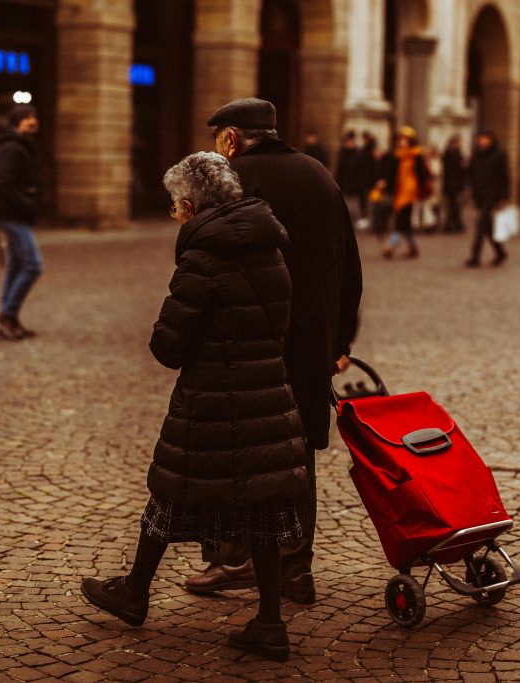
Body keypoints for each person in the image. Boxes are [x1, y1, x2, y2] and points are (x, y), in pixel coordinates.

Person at [80, 152, 306, 662]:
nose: (174, 214)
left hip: (212, 400)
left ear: (190, 204)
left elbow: (168, 346)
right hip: (267, 394)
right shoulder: (270, 247)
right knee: (263, 506)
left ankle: (134, 591)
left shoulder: (203, 258)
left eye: (174, 205)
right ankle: (270, 623)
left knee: (170, 493)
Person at [187, 98, 362, 605]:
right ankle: (294, 566)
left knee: (237, 448)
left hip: (248, 340)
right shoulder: (319, 175)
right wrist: (339, 342)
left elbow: (210, 267)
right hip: (311, 341)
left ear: (231, 139)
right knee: (296, 450)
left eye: (218, 138)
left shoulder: (229, 180)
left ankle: (233, 558)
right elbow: (349, 266)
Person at [0, 104, 42, 340]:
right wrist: (28, 204)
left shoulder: (21, 146)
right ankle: (7, 314)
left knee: (16, 267)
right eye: (27, 117)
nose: (33, 121)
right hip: (13, 216)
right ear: (16, 122)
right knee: (32, 266)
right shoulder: (12, 149)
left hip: (16, 215)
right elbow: (3, 185)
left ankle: (8, 319)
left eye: (34, 116)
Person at [378, 126, 429, 259]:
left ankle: (391, 247)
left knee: (400, 221)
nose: (402, 142)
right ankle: (413, 248)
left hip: (410, 192)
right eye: (400, 139)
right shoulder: (397, 155)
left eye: (405, 139)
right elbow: (392, 173)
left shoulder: (416, 155)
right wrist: (385, 183)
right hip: (399, 191)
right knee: (405, 224)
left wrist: (423, 191)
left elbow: (422, 174)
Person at [465, 130, 511, 267]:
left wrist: (504, 196)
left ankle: (475, 256)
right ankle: (500, 252)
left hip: (492, 194)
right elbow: (470, 173)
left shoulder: (499, 154)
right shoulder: (476, 155)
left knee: (481, 223)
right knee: (487, 227)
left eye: (485, 138)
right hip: (479, 194)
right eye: (480, 138)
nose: (482, 141)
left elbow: (505, 176)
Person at [335, 130, 362, 223]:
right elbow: (339, 169)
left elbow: (360, 170)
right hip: (344, 183)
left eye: (350, 141)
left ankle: (353, 221)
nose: (348, 143)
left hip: (354, 184)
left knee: (354, 206)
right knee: (344, 205)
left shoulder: (358, 154)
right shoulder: (342, 153)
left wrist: (359, 184)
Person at [441, 135, 467, 233]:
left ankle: (453, 224)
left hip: (452, 184)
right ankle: (453, 224)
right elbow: (459, 169)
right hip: (453, 184)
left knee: (453, 205)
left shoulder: (450, 154)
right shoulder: (454, 154)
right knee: (454, 206)